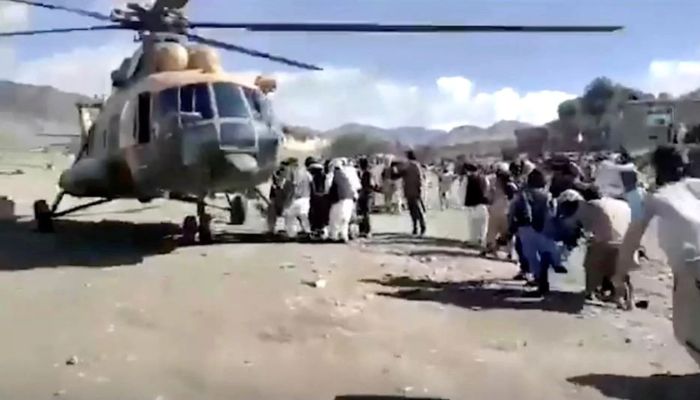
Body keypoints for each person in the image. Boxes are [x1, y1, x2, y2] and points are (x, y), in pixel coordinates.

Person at [615, 146, 700, 365]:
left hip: (692, 267)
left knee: (685, 332)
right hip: (691, 268)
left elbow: (632, 238)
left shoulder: (652, 198)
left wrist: (619, 275)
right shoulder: (696, 186)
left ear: (655, 169)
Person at [509, 169, 565, 296]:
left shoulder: (522, 194)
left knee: (532, 258)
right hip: (545, 228)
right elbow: (553, 213)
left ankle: (540, 282)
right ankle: (545, 284)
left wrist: (511, 229)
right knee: (545, 255)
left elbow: (513, 212)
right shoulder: (548, 196)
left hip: (526, 228)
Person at [482, 162, 517, 259]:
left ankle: (490, 249)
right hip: (508, 211)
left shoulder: (493, 182)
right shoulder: (512, 184)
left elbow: (488, 196)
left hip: (495, 209)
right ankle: (511, 253)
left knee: (492, 231)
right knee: (507, 233)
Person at [282, 159, 312, 238]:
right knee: (304, 216)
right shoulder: (306, 173)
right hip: (306, 197)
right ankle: (308, 232)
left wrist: (287, 200)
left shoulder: (292, 172)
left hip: (295, 199)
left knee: (289, 217)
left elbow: (292, 187)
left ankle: (291, 234)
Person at [327, 159, 355, 243]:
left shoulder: (331, 175)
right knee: (345, 220)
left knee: (334, 219)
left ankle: (334, 236)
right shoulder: (345, 175)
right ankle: (344, 236)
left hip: (339, 199)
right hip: (349, 199)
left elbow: (327, 187)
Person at [463, 163, 490, 247]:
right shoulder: (484, 178)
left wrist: (463, 203)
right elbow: (487, 189)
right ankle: (482, 240)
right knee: (483, 224)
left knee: (473, 225)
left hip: (471, 205)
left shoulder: (467, 179)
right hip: (483, 204)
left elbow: (462, 192)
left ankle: (474, 240)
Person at [402, 151, 426, 236]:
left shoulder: (412, 166)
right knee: (414, 210)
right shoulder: (413, 166)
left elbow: (418, 179)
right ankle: (417, 227)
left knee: (415, 210)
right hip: (412, 190)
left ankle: (419, 227)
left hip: (412, 191)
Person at [308, 158, 330, 239]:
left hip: (317, 199)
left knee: (316, 217)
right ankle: (321, 232)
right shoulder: (324, 176)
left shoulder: (316, 177)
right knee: (321, 217)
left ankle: (317, 232)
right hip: (322, 199)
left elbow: (315, 190)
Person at [357, 157, 378, 238]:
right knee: (362, 213)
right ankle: (363, 230)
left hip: (367, 194)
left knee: (366, 213)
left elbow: (371, 184)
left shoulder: (368, 173)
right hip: (364, 194)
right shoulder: (362, 173)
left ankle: (368, 230)